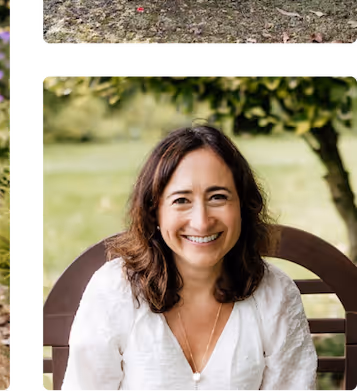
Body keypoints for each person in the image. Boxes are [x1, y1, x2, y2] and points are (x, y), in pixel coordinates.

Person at [61, 123, 317, 390]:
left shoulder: (275, 293)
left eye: (218, 197)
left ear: (243, 206)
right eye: (181, 200)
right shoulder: (116, 290)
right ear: (154, 211)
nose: (202, 222)